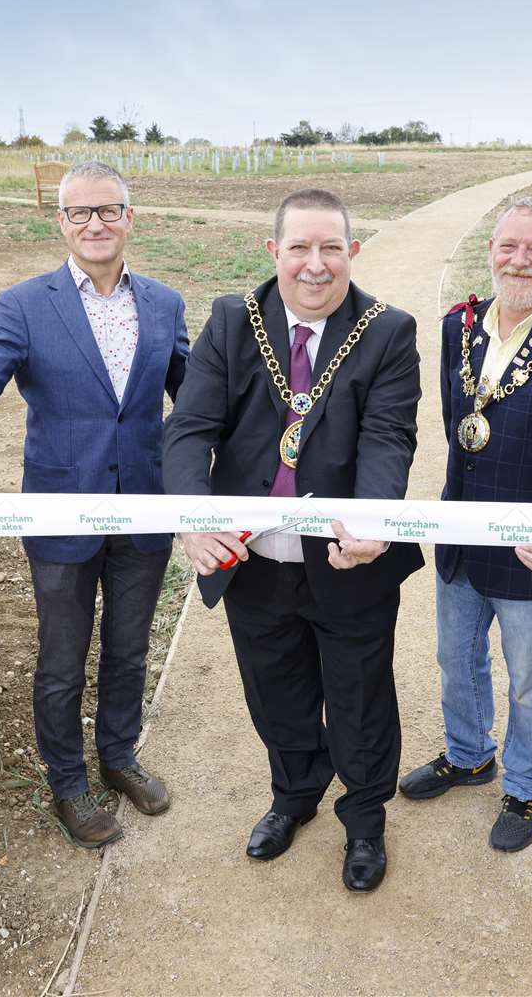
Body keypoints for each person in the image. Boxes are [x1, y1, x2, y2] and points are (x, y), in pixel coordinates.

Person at [0, 161, 189, 849]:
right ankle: (67, 783)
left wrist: (254, 462)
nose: (95, 224)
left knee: (128, 649)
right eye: (79, 213)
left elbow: (196, 400)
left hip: (143, 512)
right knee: (63, 658)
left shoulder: (163, 304)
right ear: (60, 223)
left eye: (108, 210)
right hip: (61, 513)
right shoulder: (25, 304)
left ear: (131, 217)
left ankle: (118, 757)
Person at [163, 188, 421, 893]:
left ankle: (365, 822)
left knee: (361, 698)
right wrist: (193, 512)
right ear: (273, 251)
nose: (315, 265)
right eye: (299, 248)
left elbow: (388, 437)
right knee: (275, 692)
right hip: (253, 562)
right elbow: (190, 427)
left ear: (351, 253)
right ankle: (293, 796)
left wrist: (372, 521)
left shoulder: (387, 330)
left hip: (347, 560)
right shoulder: (229, 321)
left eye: (330, 248)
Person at [398, 197, 532, 852]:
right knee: (455, 659)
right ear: (490, 249)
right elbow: (458, 432)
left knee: (527, 682)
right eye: (508, 247)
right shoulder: (454, 327)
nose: (519, 261)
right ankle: (469, 755)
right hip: (462, 539)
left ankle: (524, 787)